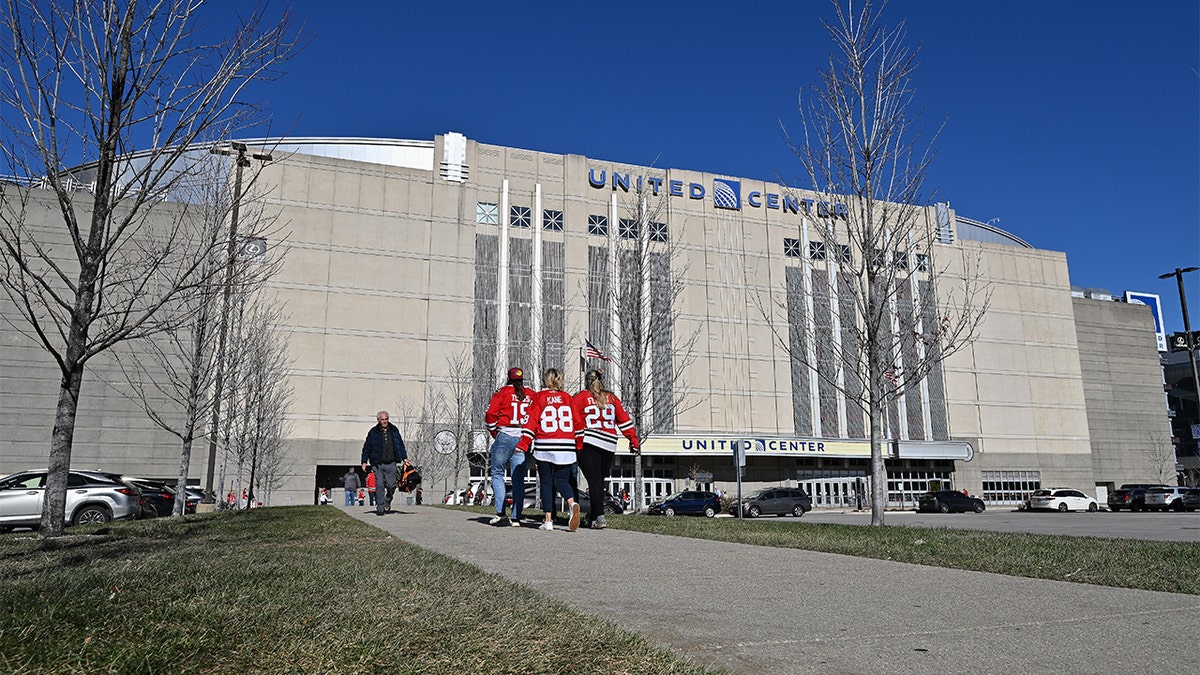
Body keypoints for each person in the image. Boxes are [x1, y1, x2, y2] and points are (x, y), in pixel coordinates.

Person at [572, 369, 639, 529]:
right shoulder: (612, 398)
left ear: (587, 382)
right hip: (609, 443)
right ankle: (594, 516)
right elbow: (624, 421)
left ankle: (599, 516)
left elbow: (574, 419)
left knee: (594, 480)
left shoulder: (581, 397)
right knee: (598, 481)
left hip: (589, 441)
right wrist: (633, 440)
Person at [516, 368, 580, 531]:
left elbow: (531, 421)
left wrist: (524, 443)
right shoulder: (567, 398)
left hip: (545, 444)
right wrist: (578, 444)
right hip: (566, 445)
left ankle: (548, 521)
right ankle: (572, 503)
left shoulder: (539, 397)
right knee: (562, 480)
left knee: (545, 482)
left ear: (546, 380)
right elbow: (579, 423)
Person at [484, 367, 533, 527]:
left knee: (497, 473)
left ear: (508, 378)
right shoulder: (530, 394)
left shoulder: (502, 392)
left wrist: (494, 433)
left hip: (505, 435)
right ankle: (516, 517)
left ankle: (500, 513)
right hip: (523, 437)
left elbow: (491, 414)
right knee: (518, 477)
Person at [360, 410, 409, 516]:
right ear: (378, 420)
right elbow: (367, 447)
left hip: (391, 463)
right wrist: (364, 461)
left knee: (392, 485)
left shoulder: (394, 430)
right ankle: (380, 507)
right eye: (382, 420)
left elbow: (400, 444)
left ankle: (387, 500)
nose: (385, 421)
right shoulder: (373, 432)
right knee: (380, 485)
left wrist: (404, 457)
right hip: (378, 463)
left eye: (386, 419)